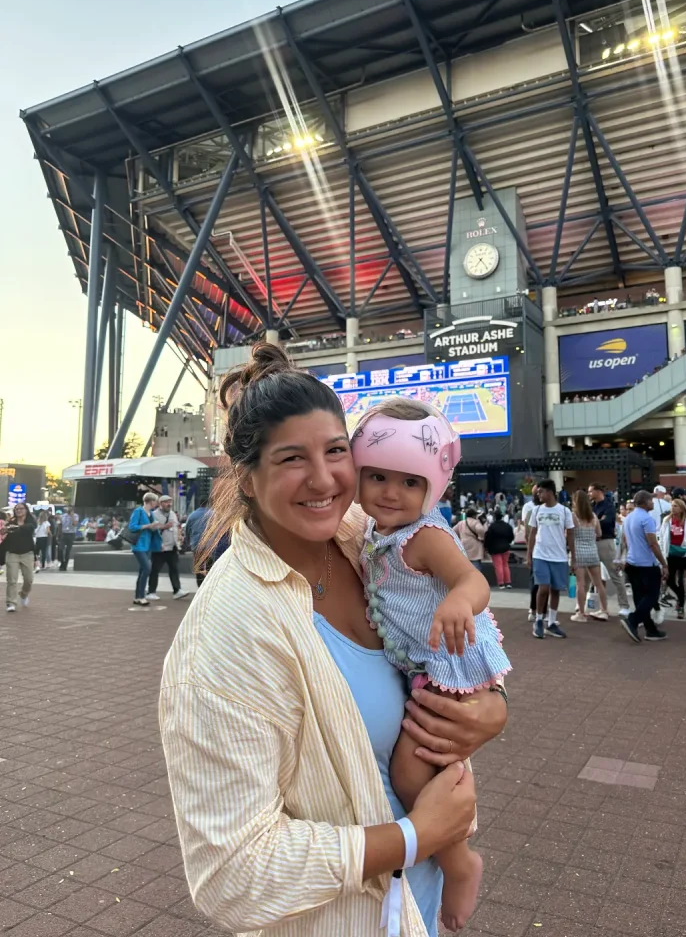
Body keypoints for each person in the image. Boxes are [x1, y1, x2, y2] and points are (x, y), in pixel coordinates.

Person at [159, 343, 507, 937]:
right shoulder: (226, 633)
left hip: (417, 910)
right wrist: (416, 837)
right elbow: (230, 875)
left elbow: (456, 640)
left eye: (336, 451)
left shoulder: (364, 538)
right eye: (292, 458)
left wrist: (490, 711)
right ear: (246, 478)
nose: (323, 479)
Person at [351, 398, 511, 931]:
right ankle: (455, 855)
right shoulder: (376, 534)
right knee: (431, 764)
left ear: (432, 489)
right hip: (425, 663)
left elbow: (474, 581)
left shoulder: (426, 536)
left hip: (452, 659)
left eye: (409, 482)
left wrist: (459, 601)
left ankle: (460, 861)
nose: (391, 492)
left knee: (412, 768)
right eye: (376, 476)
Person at [617, 490, 668, 644]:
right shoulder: (647, 519)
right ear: (645, 502)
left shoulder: (628, 518)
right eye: (651, 501)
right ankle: (632, 620)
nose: (653, 503)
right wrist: (663, 563)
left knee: (640, 597)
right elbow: (653, 543)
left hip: (632, 563)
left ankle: (651, 630)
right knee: (652, 596)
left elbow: (625, 541)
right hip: (647, 563)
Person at [526, 478, 574, 639]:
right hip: (540, 555)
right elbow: (532, 533)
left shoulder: (565, 511)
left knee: (555, 589)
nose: (538, 494)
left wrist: (573, 557)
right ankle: (539, 620)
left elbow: (571, 535)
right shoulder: (537, 510)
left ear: (550, 492)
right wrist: (529, 554)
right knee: (543, 588)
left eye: (540, 491)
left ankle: (552, 623)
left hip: (559, 556)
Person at [588, 484, 630, 617]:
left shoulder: (609, 505)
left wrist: (594, 522)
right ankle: (600, 607)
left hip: (606, 542)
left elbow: (606, 522)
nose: (589, 494)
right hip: (593, 542)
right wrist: (597, 521)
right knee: (594, 578)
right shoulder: (592, 506)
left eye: (590, 491)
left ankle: (624, 606)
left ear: (598, 491)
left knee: (615, 575)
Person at [570, 489, 608, 622]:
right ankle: (604, 610)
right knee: (598, 583)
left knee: (580, 584)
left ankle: (581, 613)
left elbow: (568, 534)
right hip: (592, 551)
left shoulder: (573, 516)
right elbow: (599, 534)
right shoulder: (593, 516)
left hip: (578, 552)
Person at [148, 495, 189, 601]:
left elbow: (176, 527)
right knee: (155, 570)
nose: (169, 504)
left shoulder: (172, 514)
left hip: (172, 546)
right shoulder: (154, 514)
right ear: (160, 504)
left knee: (174, 569)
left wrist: (179, 539)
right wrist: (164, 526)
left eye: (170, 502)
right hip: (160, 547)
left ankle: (177, 591)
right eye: (166, 502)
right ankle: (151, 592)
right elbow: (151, 528)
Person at [128, 493, 162, 607]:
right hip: (138, 545)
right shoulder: (138, 511)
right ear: (150, 501)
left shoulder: (151, 513)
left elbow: (152, 529)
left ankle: (138, 597)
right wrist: (148, 526)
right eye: (155, 501)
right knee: (147, 569)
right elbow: (132, 527)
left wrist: (154, 526)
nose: (156, 504)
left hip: (147, 545)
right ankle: (141, 596)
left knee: (143, 570)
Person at [4, 503, 36, 612]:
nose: (19, 511)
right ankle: (11, 603)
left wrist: (15, 528)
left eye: (21, 508)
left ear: (26, 510)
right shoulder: (10, 523)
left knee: (29, 579)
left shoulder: (30, 522)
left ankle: (23, 594)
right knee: (11, 580)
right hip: (12, 553)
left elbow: (29, 528)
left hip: (27, 554)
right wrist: (4, 531)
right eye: (17, 509)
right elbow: (4, 533)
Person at [522, 486, 542, 622]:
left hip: (537, 550)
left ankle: (537, 610)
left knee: (538, 582)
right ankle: (536, 610)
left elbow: (526, 534)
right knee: (538, 582)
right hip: (537, 551)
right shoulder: (530, 510)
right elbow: (527, 533)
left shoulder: (530, 511)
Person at [484, 509, 515, 589]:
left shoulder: (492, 527)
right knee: (505, 565)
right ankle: (508, 582)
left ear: (494, 517)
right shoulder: (507, 526)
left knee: (498, 566)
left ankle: (501, 583)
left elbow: (488, 538)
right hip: (506, 547)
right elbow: (511, 537)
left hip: (495, 548)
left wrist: (487, 547)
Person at [184, 499, 212, 587]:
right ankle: (209, 585)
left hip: (196, 545)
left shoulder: (192, 515)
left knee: (198, 567)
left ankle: (200, 586)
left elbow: (187, 530)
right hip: (210, 545)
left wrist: (188, 541)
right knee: (210, 566)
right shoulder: (213, 514)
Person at [58, 506, 79, 572]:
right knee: (60, 549)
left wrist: (72, 516)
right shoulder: (63, 516)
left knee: (68, 550)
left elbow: (75, 524)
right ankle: (62, 562)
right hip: (64, 534)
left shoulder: (75, 516)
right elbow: (60, 524)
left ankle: (65, 565)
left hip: (71, 534)